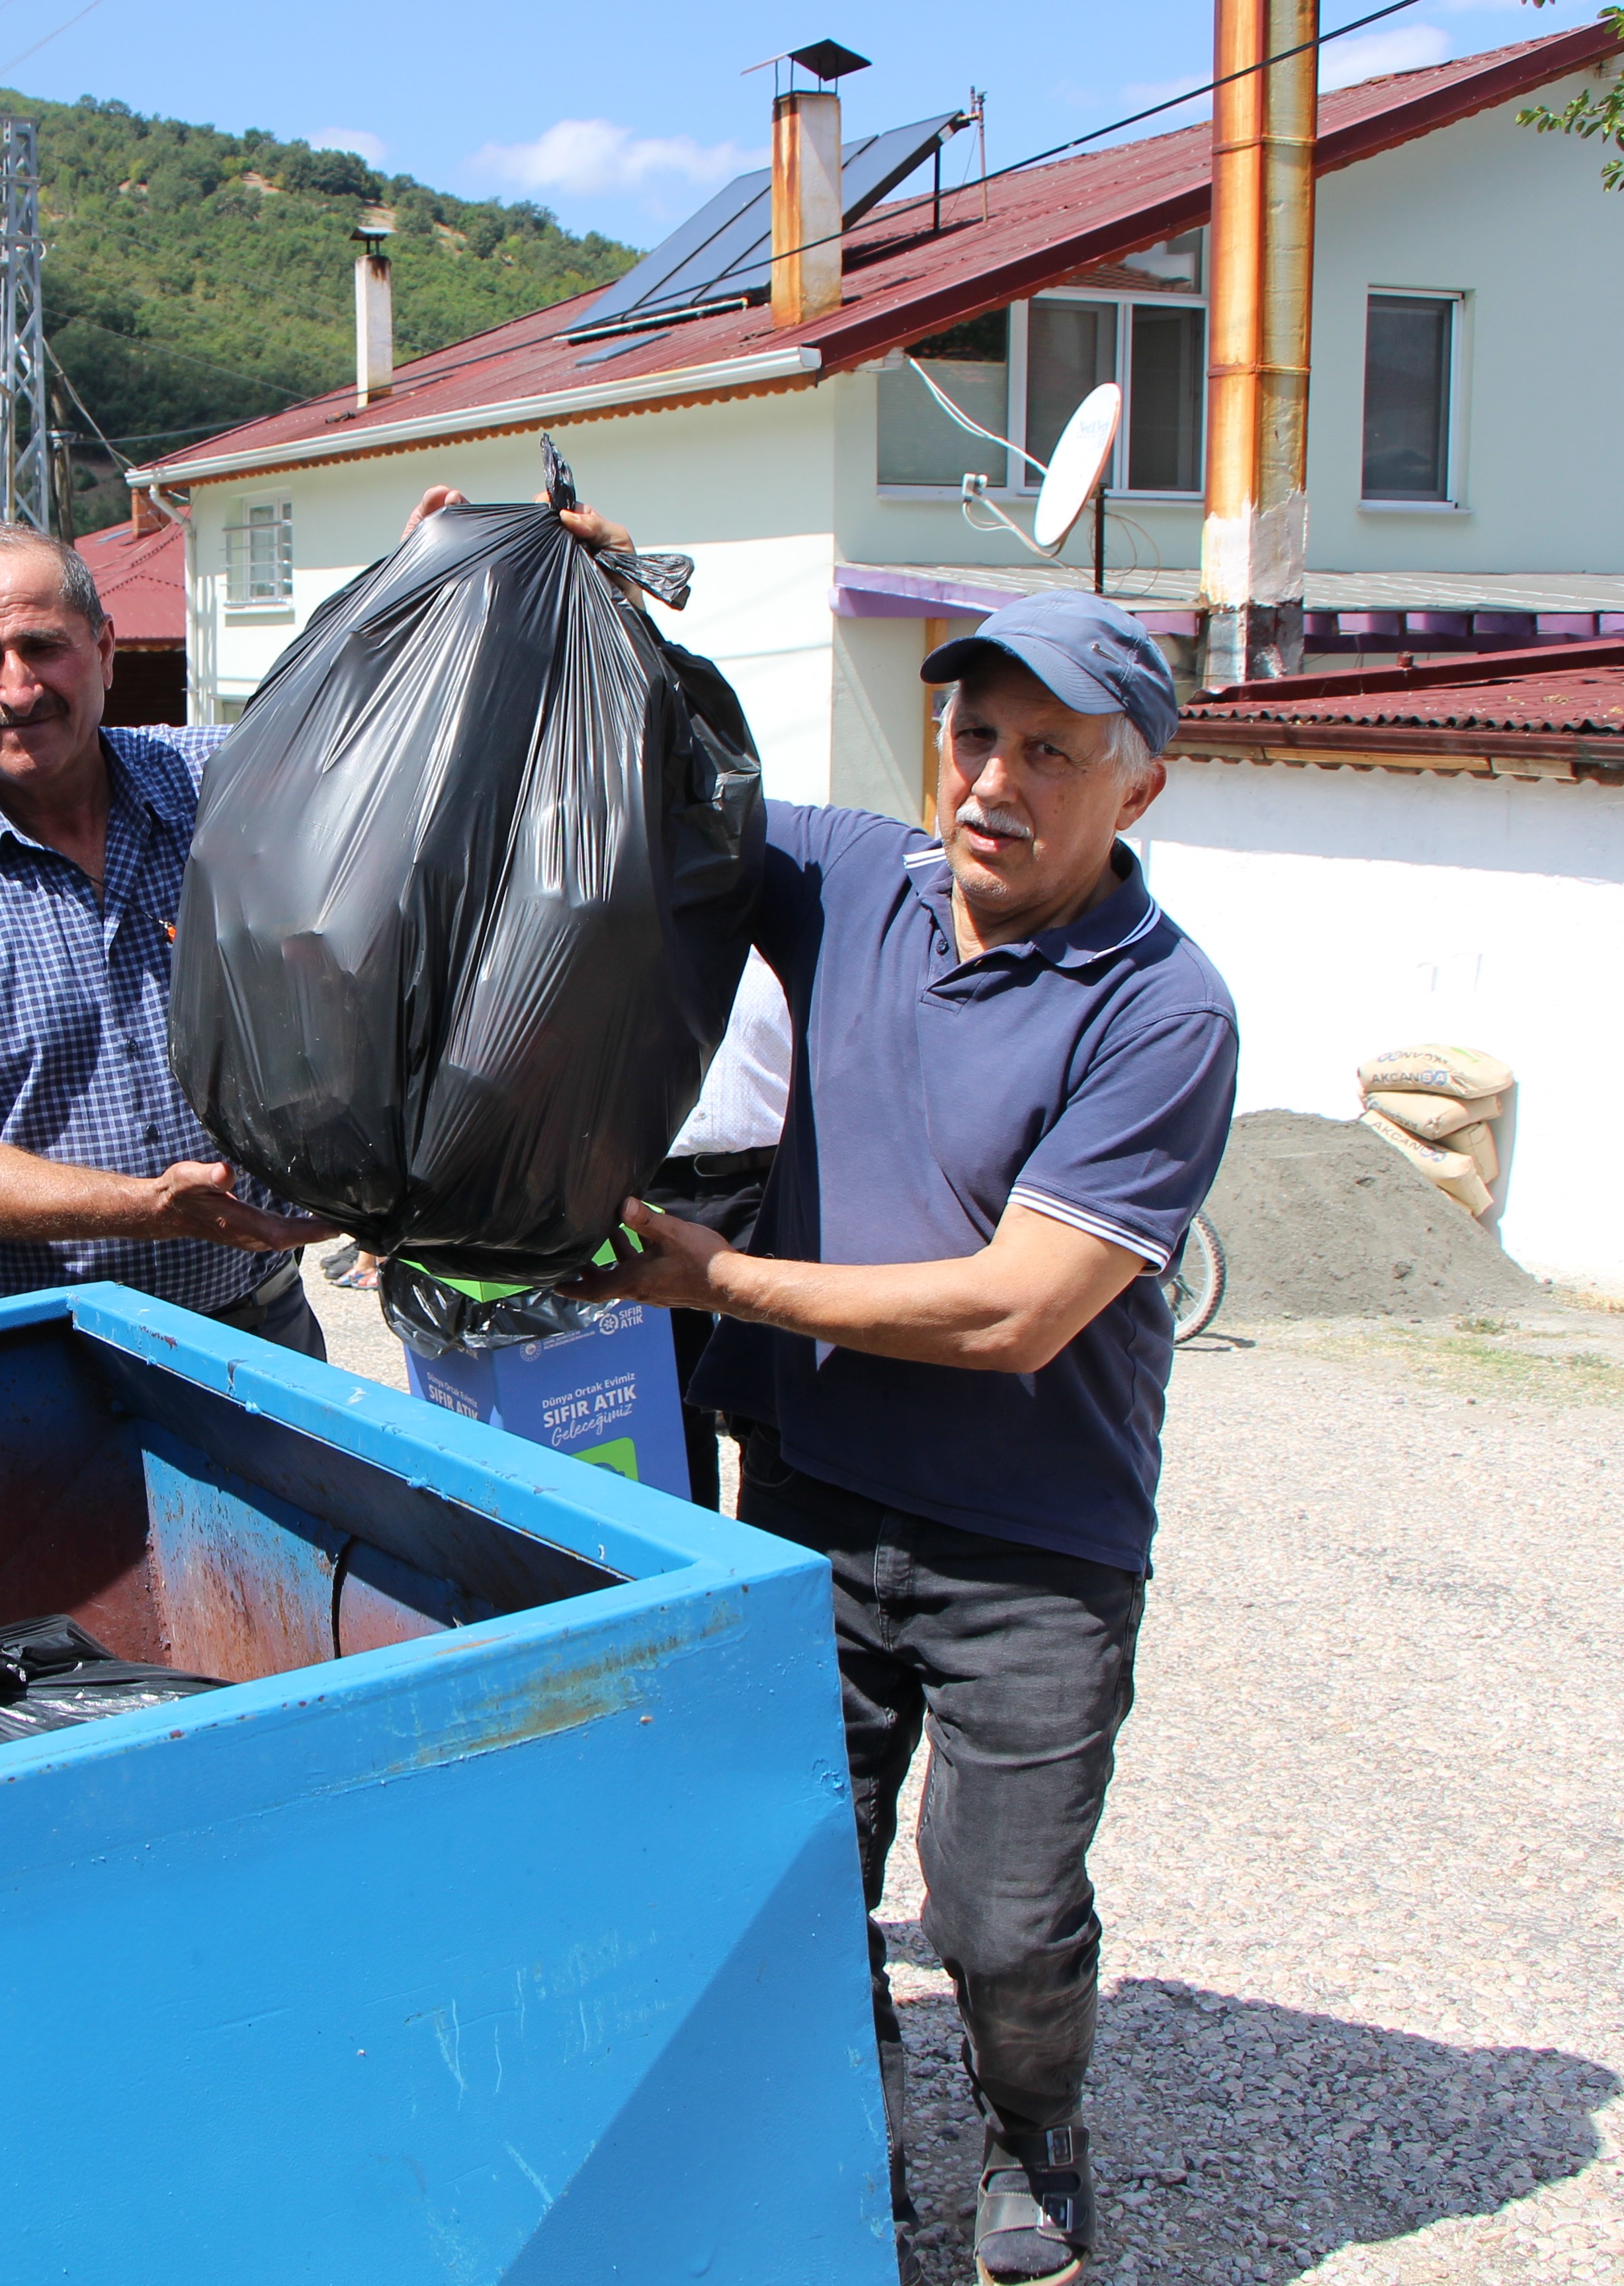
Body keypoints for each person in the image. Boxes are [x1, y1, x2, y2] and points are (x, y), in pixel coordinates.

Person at [572, 588, 1236, 2286]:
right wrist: (572, 581)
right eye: (971, 735)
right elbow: (667, 768)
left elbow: (1018, 1306)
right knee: (798, 1856)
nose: (991, 781)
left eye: (1047, 751)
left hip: (1032, 1537)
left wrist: (722, 1276)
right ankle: (836, 2119)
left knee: (996, 1917)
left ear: (1136, 789)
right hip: (813, 1485)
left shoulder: (1162, 1013)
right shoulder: (860, 881)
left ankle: (1032, 2125)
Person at [641, 951, 791, 1511]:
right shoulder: (641, 927)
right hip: (652, 1192)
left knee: (772, 1402)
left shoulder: (787, 923)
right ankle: (694, 1573)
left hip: (767, 1183)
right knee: (667, 1407)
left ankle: (773, 1562)